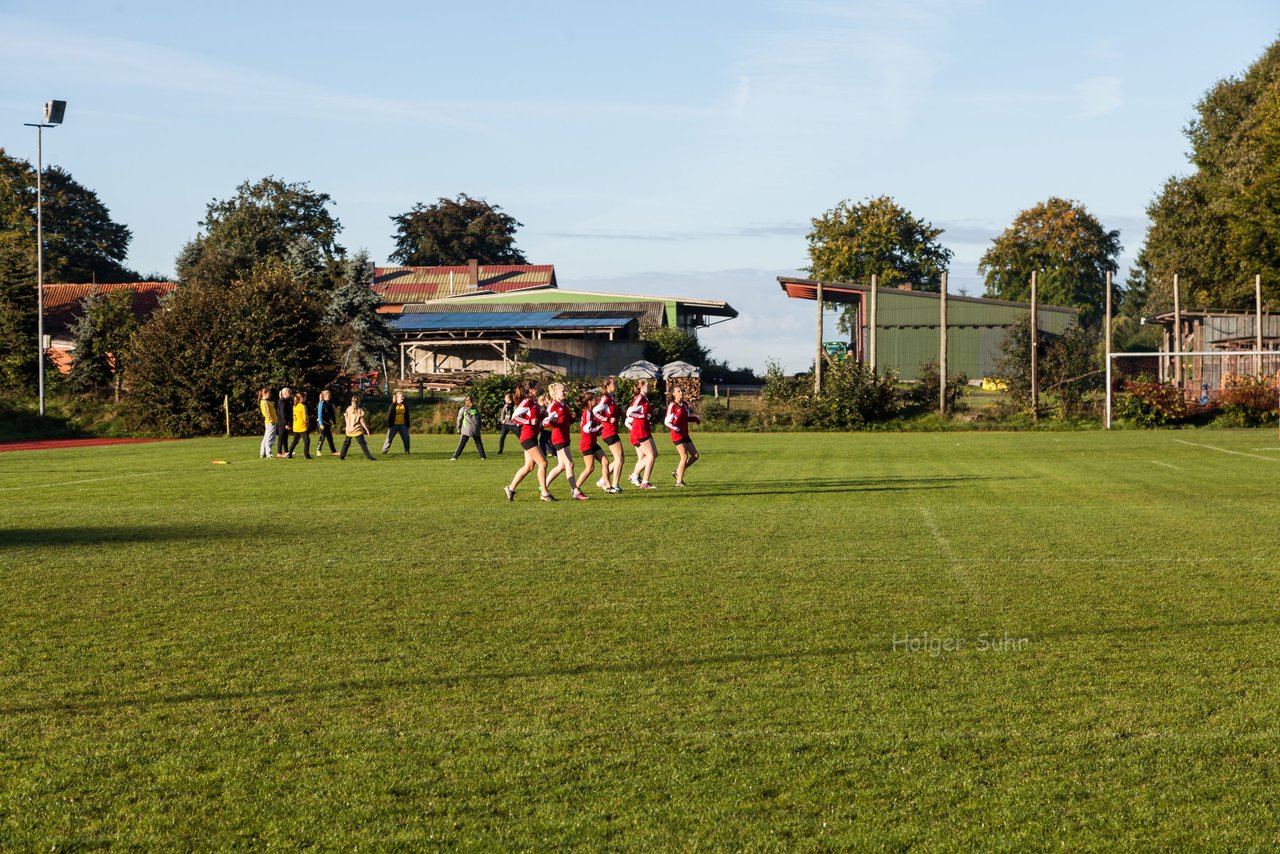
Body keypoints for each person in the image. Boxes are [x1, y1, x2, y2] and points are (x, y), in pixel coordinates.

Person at [504, 380, 554, 501]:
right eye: (536, 387)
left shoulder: (533, 402)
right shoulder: (527, 401)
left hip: (531, 437)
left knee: (529, 467)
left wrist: (543, 414)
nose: (538, 389)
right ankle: (544, 493)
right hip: (527, 437)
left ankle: (510, 489)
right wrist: (528, 421)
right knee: (543, 463)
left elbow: (534, 417)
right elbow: (515, 417)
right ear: (531, 390)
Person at [544, 383, 588, 501]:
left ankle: (543, 486)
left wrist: (572, 418)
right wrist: (552, 421)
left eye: (565, 391)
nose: (565, 393)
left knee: (562, 466)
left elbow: (566, 421)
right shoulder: (553, 406)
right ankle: (575, 491)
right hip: (558, 438)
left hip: (565, 437)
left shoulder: (565, 405)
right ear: (555, 393)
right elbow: (547, 423)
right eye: (562, 391)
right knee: (569, 464)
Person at [664, 384, 701, 486]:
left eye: (682, 391)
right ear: (674, 394)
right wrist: (676, 428)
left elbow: (687, 417)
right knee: (684, 457)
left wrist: (695, 419)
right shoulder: (673, 406)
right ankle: (679, 481)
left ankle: (677, 471)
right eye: (679, 391)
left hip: (685, 434)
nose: (681, 392)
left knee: (695, 455)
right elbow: (667, 422)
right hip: (677, 435)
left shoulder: (684, 404)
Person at [576, 389, 612, 494]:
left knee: (605, 462)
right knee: (589, 468)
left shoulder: (590, 412)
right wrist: (599, 427)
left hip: (592, 442)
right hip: (587, 443)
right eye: (595, 399)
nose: (597, 400)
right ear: (589, 402)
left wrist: (597, 432)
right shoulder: (587, 412)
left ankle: (609, 487)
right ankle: (575, 488)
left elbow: (590, 429)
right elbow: (586, 429)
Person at [593, 377, 624, 492]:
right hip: (608, 431)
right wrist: (606, 419)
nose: (616, 385)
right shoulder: (605, 398)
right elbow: (595, 411)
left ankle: (602, 480)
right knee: (619, 459)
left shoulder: (611, 398)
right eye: (614, 383)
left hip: (612, 430)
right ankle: (615, 485)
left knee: (618, 459)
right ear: (607, 386)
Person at [626, 377, 657, 490]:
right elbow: (629, 412)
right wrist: (643, 416)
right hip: (639, 430)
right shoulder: (639, 398)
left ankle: (634, 475)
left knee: (653, 454)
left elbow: (643, 412)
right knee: (651, 455)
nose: (649, 386)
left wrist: (651, 412)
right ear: (641, 386)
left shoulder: (645, 398)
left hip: (645, 429)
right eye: (647, 384)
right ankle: (645, 482)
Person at [340, 394, 377, 461]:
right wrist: (367, 429)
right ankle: (369, 457)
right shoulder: (359, 410)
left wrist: (347, 426)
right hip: (357, 430)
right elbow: (362, 421)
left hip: (349, 430)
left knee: (346, 443)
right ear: (358, 402)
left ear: (351, 402)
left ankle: (341, 456)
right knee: (363, 444)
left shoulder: (348, 409)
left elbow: (346, 418)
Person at [451, 395, 487, 460]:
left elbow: (459, 419)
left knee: (462, 443)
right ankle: (483, 456)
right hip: (475, 429)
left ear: (465, 401)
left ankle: (455, 456)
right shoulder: (476, 409)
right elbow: (479, 419)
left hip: (466, 429)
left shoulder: (463, 409)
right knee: (478, 442)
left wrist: (458, 428)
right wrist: (479, 426)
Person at [288, 391, 313, 459]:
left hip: (296, 426)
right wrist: (307, 423)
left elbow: (294, 416)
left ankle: (289, 454)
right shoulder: (303, 406)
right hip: (302, 427)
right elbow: (305, 416)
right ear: (302, 398)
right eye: (304, 397)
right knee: (307, 441)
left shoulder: (295, 406)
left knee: (295, 441)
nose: (305, 399)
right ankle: (307, 455)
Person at [315, 389, 337, 456]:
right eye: (328, 395)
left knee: (330, 437)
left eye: (330, 395)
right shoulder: (321, 403)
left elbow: (332, 414)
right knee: (322, 436)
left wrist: (334, 422)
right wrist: (321, 424)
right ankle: (318, 450)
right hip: (321, 422)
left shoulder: (329, 404)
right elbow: (320, 414)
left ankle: (333, 451)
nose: (330, 397)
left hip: (327, 422)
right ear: (324, 396)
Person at [258, 388, 276, 459]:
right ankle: (268, 453)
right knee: (270, 438)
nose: (270, 394)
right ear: (264, 393)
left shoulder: (266, 401)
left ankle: (262, 453)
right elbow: (266, 412)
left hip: (270, 422)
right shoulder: (264, 402)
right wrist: (271, 420)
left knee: (266, 438)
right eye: (269, 393)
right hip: (270, 422)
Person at [275, 386, 293, 457]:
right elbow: (282, 413)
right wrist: (285, 423)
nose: (291, 394)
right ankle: (279, 452)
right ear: (285, 393)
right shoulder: (282, 401)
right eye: (290, 392)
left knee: (285, 437)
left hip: (285, 422)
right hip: (282, 422)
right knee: (281, 437)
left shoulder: (286, 401)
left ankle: (286, 451)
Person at [537, 393, 554, 459]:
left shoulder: (544, 407)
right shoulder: (546, 406)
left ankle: (545, 454)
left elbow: (543, 413)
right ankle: (553, 452)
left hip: (547, 426)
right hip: (547, 426)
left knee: (543, 441)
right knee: (546, 440)